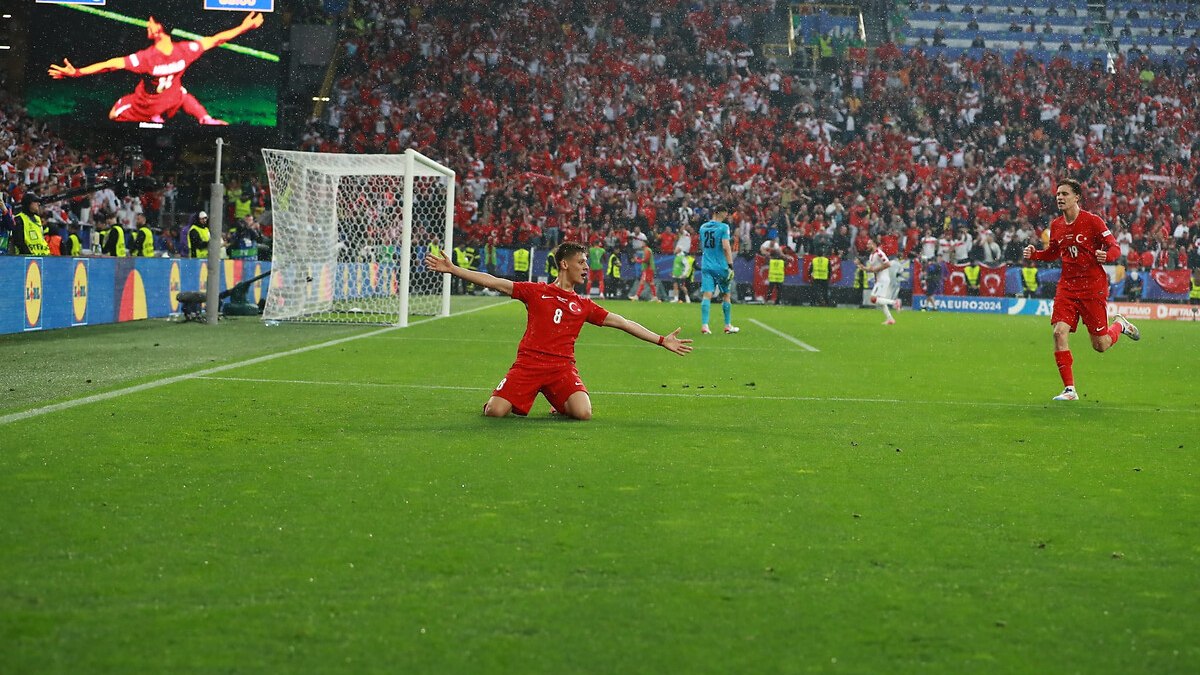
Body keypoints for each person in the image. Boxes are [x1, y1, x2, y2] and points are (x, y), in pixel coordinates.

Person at [423, 241, 692, 420]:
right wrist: (454, 270)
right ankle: (505, 396)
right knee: (495, 413)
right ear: (565, 264)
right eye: (581, 262)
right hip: (528, 364)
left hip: (561, 368)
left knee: (583, 413)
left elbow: (622, 322)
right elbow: (494, 282)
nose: (586, 267)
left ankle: (558, 400)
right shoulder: (536, 291)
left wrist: (660, 340)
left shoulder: (583, 305)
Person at [1023, 178, 1140, 402]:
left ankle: (1120, 325)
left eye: (1065, 194)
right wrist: (1036, 254)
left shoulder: (1093, 221)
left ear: (1077, 197)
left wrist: (1109, 256)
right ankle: (1069, 390)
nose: (1059, 197)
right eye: (1058, 194)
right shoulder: (1056, 225)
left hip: (1092, 288)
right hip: (1067, 287)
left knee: (1100, 345)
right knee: (1058, 332)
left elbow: (1114, 247)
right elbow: (1053, 252)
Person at [48, 12, 264, 126]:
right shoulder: (186, 49)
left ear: (159, 28)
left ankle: (153, 116)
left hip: (145, 106)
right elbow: (217, 39)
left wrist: (76, 72)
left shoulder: (147, 58)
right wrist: (245, 27)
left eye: (150, 23)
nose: (147, 26)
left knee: (114, 114)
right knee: (180, 92)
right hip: (172, 99)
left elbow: (110, 65)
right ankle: (204, 118)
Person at [698, 205, 739, 334]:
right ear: (721, 213)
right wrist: (731, 265)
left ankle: (705, 325)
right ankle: (727, 325)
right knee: (726, 295)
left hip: (706, 265)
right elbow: (726, 247)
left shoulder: (703, 227)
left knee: (707, 295)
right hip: (720, 266)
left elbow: (703, 246)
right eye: (726, 213)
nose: (727, 216)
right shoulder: (723, 227)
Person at [857, 238, 902, 324]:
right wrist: (864, 268)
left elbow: (888, 264)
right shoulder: (871, 256)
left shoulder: (879, 253)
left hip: (884, 279)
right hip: (879, 280)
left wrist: (876, 269)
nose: (867, 246)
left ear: (873, 244)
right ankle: (890, 319)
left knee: (873, 299)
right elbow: (872, 269)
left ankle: (895, 302)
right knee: (881, 301)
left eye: (869, 244)